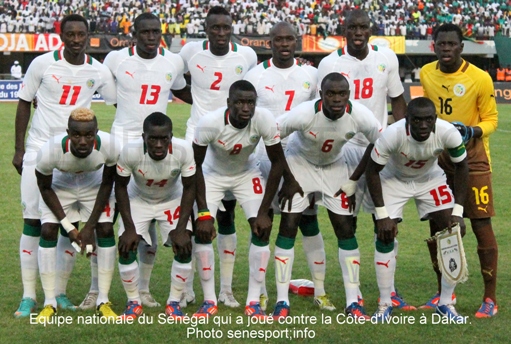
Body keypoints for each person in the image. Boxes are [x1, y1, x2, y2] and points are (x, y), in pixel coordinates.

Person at [75, 12, 193, 312]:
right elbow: (100, 89)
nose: (151, 37)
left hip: (157, 142)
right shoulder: (115, 59)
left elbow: (182, 90)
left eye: (156, 32)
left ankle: (142, 290)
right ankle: (94, 289)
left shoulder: (173, 61)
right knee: (106, 221)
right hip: (121, 142)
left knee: (149, 217)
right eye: (145, 32)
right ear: (134, 34)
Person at [12, 14, 116, 318]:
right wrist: (20, 149)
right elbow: (23, 102)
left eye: (80, 34)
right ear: (61, 35)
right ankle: (29, 296)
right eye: (69, 34)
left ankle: (58, 292)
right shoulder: (42, 64)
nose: (75, 39)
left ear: (88, 36)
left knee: (66, 223)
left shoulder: (98, 70)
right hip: (39, 149)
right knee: (33, 222)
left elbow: (118, 104)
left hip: (76, 152)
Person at [316, 9, 411, 310]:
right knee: (345, 226)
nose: (358, 31)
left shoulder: (387, 58)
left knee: (386, 222)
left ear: (370, 30)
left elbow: (397, 99)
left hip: (379, 149)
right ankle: (353, 293)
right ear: (343, 29)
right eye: (352, 27)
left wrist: (402, 137)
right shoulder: (329, 63)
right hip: (341, 152)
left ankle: (390, 289)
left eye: (363, 27)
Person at [243, 22, 334, 312]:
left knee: (308, 220)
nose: (284, 44)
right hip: (264, 159)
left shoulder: (311, 74)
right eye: (278, 39)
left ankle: (320, 291)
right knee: (262, 224)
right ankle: (259, 293)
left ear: (297, 41)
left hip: (301, 160)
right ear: (269, 42)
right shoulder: (256, 75)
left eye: (289, 39)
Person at [273, 73, 381, 319]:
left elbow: (378, 144)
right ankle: (281, 300)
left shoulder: (361, 115)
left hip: (334, 168)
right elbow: (273, 139)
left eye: (341, 93)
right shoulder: (303, 113)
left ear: (348, 95)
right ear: (321, 95)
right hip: (300, 163)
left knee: (345, 228)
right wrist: (288, 179)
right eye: (330, 93)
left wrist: (353, 179)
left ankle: (353, 301)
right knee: (289, 225)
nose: (336, 99)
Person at [191, 80, 296, 318]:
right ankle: (209, 300)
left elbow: (278, 161)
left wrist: (264, 210)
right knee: (203, 230)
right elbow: (194, 166)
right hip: (212, 175)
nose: (246, 108)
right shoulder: (209, 123)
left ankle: (253, 302)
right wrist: (204, 213)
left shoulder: (264, 119)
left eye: (250, 102)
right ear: (229, 103)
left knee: (262, 228)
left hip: (246, 174)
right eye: (239, 102)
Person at [179, 6, 257, 308]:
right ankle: (185, 286)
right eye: (215, 28)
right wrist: (200, 103)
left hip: (232, 141)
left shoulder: (246, 56)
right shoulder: (190, 52)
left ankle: (225, 289)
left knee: (226, 214)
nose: (221, 33)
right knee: (190, 212)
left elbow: (247, 92)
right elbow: (178, 85)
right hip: (196, 138)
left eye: (226, 27)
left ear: (232, 27)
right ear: (206, 29)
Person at [365, 97, 469, 322]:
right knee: (384, 235)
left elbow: (461, 166)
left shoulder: (448, 132)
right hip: (393, 179)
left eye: (428, 120)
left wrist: (458, 212)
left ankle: (446, 302)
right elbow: (372, 171)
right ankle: (385, 303)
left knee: (451, 231)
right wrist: (382, 215)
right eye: (417, 120)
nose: (423, 125)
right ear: (407, 120)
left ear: (435, 119)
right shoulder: (392, 134)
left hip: (429, 179)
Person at [420, 23, 499, 318]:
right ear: (434, 46)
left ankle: (490, 298)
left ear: (461, 47)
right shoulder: (426, 72)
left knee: (480, 224)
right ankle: (443, 293)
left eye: (452, 44)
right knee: (440, 225)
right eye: (442, 44)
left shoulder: (480, 78)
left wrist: (471, 130)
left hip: (474, 157)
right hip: (439, 159)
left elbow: (492, 120)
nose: (447, 49)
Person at [34, 108, 119, 322]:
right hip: (61, 186)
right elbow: (45, 188)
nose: (83, 141)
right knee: (48, 229)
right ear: (68, 133)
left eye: (89, 135)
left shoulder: (110, 146)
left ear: (96, 133)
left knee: (106, 228)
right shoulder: (49, 151)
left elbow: (108, 182)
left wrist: (89, 227)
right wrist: (70, 227)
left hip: (93, 185)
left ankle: (103, 300)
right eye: (76, 135)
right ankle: (49, 302)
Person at [115, 113, 196, 319]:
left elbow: (189, 188)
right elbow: (121, 187)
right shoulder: (130, 152)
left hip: (171, 199)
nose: (159, 144)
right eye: (153, 139)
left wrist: (181, 228)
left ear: (171, 137)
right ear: (144, 137)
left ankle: (173, 303)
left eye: (164, 139)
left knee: (184, 245)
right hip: (139, 199)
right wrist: (129, 227)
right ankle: (133, 302)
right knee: (126, 246)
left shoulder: (184, 150)